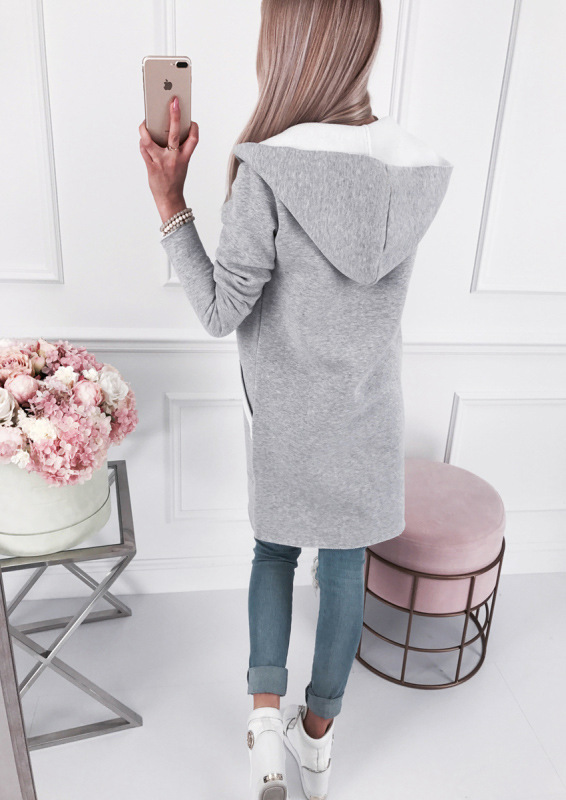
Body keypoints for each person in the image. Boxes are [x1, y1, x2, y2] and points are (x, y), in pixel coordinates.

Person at [139, 0, 453, 797]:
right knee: (346, 567)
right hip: (370, 418)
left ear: (287, 46)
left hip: (289, 423)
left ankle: (265, 745)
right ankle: (318, 738)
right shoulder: (410, 171)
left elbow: (221, 311)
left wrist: (171, 204)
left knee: (274, 557)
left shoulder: (271, 170)